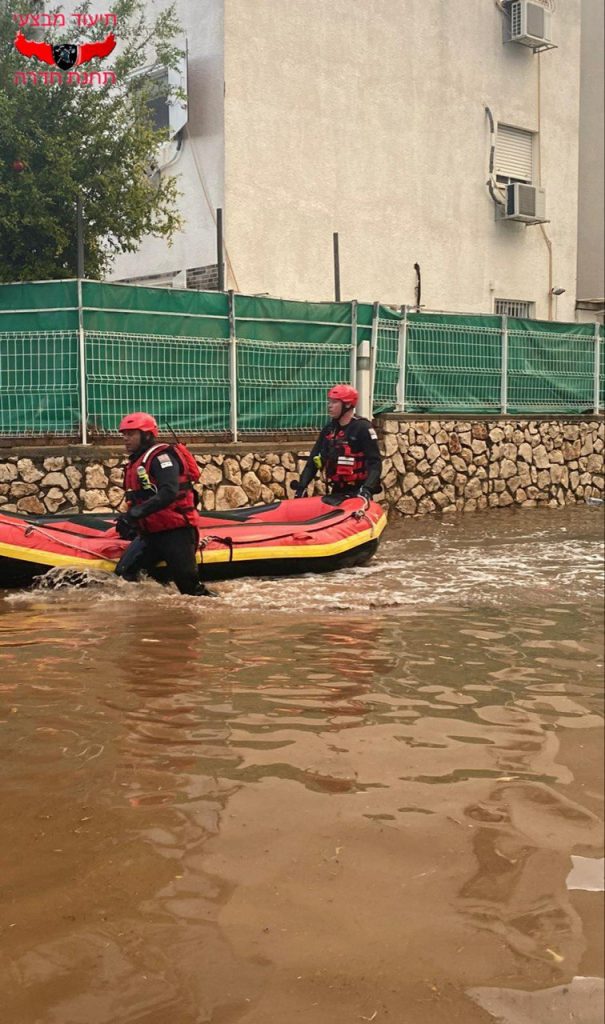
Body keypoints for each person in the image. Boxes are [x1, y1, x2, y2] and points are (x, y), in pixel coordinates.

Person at [114, 412, 214, 597]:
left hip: (176, 531)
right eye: (124, 434)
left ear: (146, 435)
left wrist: (134, 514)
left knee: (190, 589)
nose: (125, 439)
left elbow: (169, 492)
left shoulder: (162, 458)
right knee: (124, 573)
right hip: (151, 534)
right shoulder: (138, 460)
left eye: (131, 434)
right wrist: (130, 521)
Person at [293, 384, 382, 500]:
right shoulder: (329, 430)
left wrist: (367, 489)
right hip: (336, 490)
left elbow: (375, 463)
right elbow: (313, 461)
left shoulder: (363, 428)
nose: (329, 406)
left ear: (348, 404)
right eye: (329, 402)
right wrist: (302, 486)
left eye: (334, 402)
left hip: (358, 491)